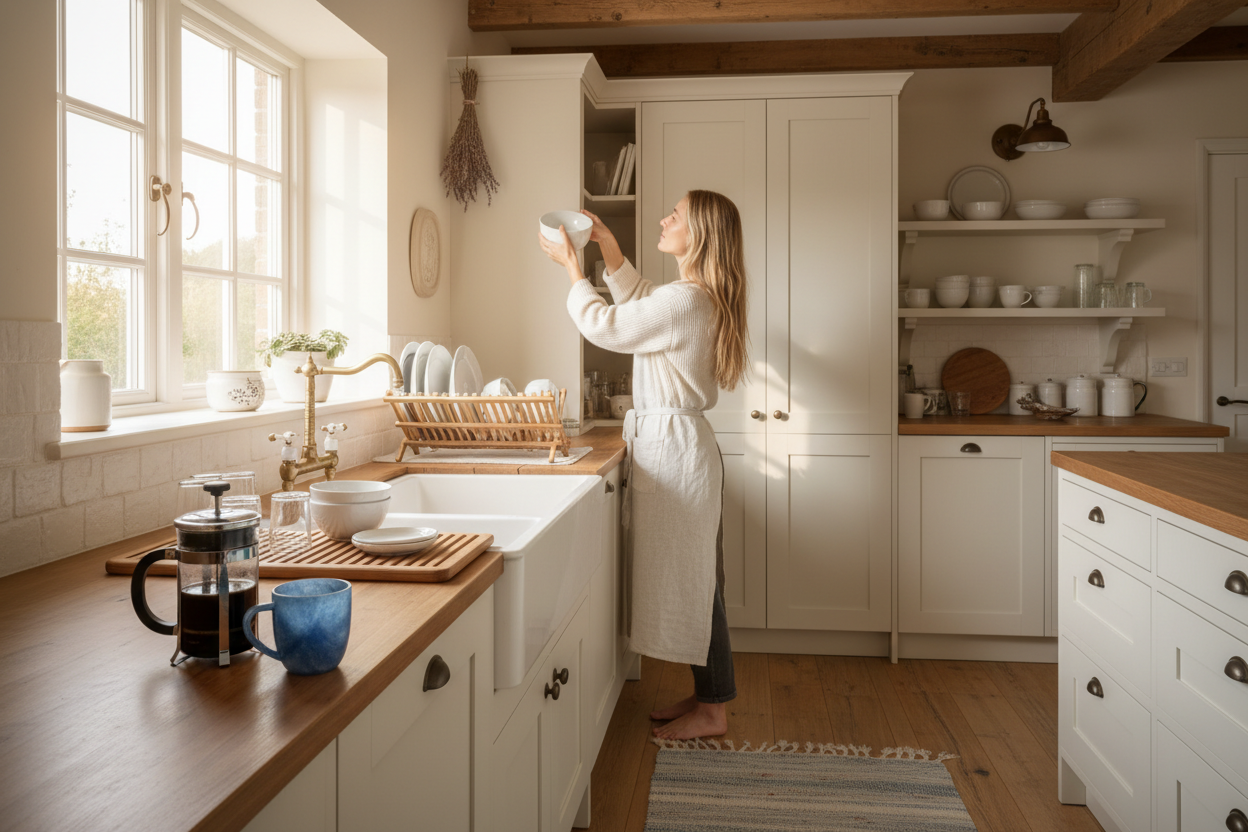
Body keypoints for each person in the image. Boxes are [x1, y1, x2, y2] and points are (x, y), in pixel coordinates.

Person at [537, 190, 749, 740]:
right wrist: (608, 248)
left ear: (698, 233)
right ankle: (709, 696)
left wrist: (570, 268)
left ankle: (713, 710)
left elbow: (610, 325)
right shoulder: (689, 297)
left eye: (675, 215)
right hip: (683, 449)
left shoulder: (686, 301)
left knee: (700, 584)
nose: (665, 218)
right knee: (701, 581)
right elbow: (642, 300)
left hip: (677, 452)